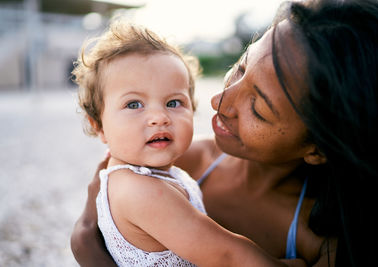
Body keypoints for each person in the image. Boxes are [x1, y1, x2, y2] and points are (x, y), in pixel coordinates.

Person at [71, 0, 378, 266]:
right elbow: (87, 232)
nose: (219, 101)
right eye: (240, 68)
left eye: (258, 108)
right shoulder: (172, 160)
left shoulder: (320, 236)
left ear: (318, 148)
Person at [72, 17, 284, 267]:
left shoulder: (154, 175)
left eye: (173, 103)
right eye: (134, 104)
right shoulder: (139, 190)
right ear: (99, 125)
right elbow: (228, 255)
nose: (159, 118)